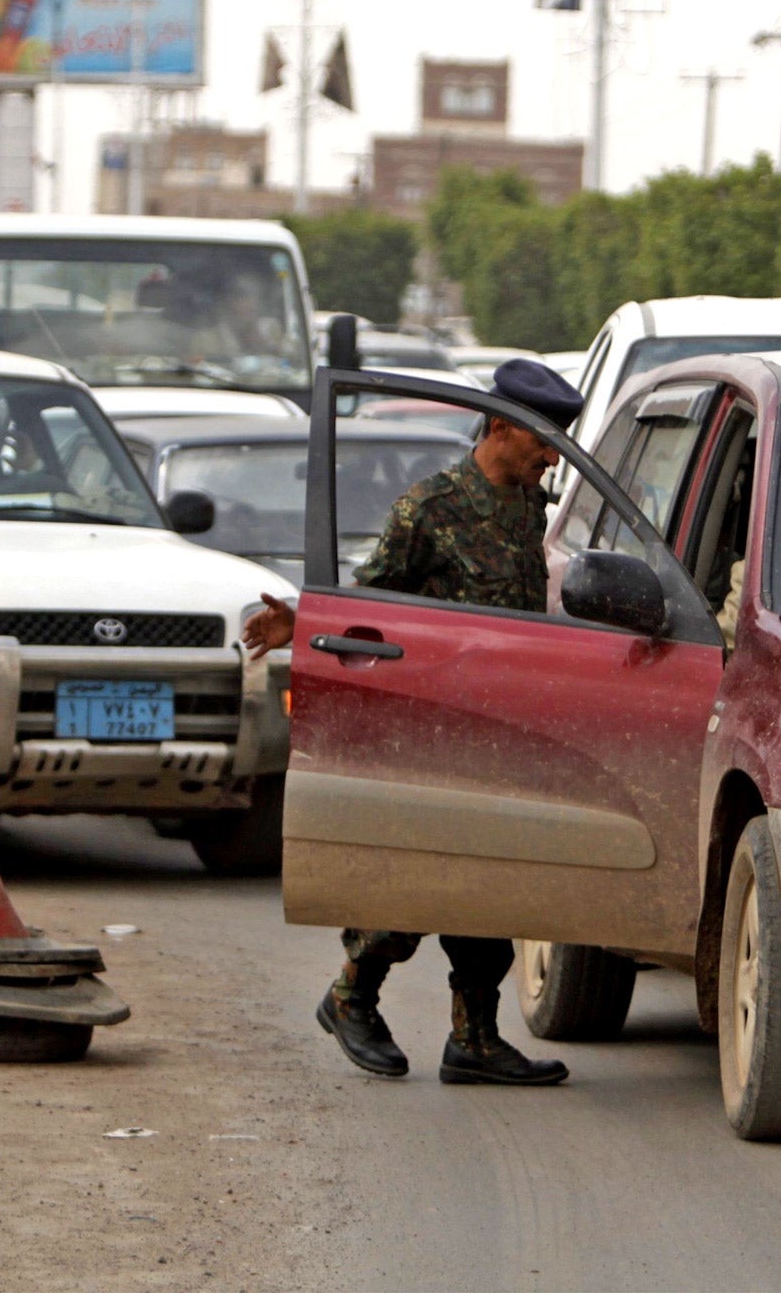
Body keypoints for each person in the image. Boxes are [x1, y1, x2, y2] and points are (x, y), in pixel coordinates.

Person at [242, 358, 581, 1086]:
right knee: (415, 880)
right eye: (544, 442)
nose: (552, 457)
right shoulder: (429, 509)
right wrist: (300, 627)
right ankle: (350, 995)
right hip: (434, 734)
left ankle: (475, 1039)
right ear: (499, 427)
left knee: (491, 885)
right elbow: (367, 607)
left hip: (499, 734)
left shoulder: (528, 507)